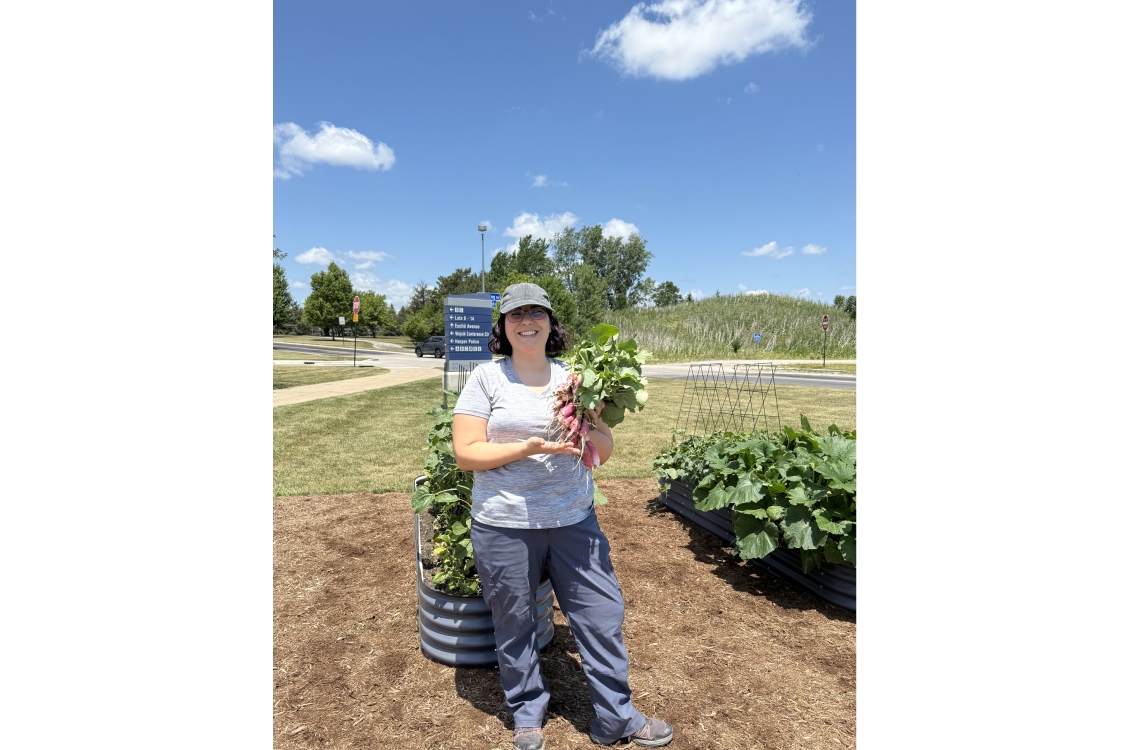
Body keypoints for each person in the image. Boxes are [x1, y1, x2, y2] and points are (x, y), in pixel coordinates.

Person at [451, 283, 674, 750]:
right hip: (503, 523)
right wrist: (525, 448)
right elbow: (466, 453)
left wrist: (589, 432)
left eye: (537, 312)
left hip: (574, 519)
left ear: (551, 323)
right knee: (513, 621)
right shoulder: (486, 380)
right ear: (503, 326)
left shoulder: (576, 378)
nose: (526, 320)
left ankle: (616, 717)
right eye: (516, 314)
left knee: (601, 615)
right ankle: (527, 714)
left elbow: (604, 450)